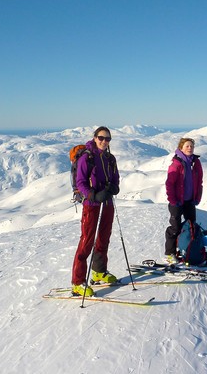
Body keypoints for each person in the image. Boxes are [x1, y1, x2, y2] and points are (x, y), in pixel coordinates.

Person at [71, 126, 120, 296]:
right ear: (95, 137)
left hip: (107, 203)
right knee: (86, 241)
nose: (104, 141)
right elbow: (80, 182)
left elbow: (115, 178)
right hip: (91, 205)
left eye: (107, 139)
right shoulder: (87, 157)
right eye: (101, 138)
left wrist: (114, 188)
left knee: (104, 238)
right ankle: (78, 282)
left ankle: (99, 272)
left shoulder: (110, 158)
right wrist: (93, 195)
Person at [164, 138, 203, 263]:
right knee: (175, 228)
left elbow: (199, 182)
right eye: (187, 146)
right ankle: (170, 253)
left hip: (190, 201)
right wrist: (173, 200)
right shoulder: (176, 164)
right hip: (177, 201)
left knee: (191, 227)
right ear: (181, 148)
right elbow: (169, 183)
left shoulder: (195, 163)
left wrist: (197, 198)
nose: (190, 148)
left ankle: (188, 251)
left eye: (191, 146)